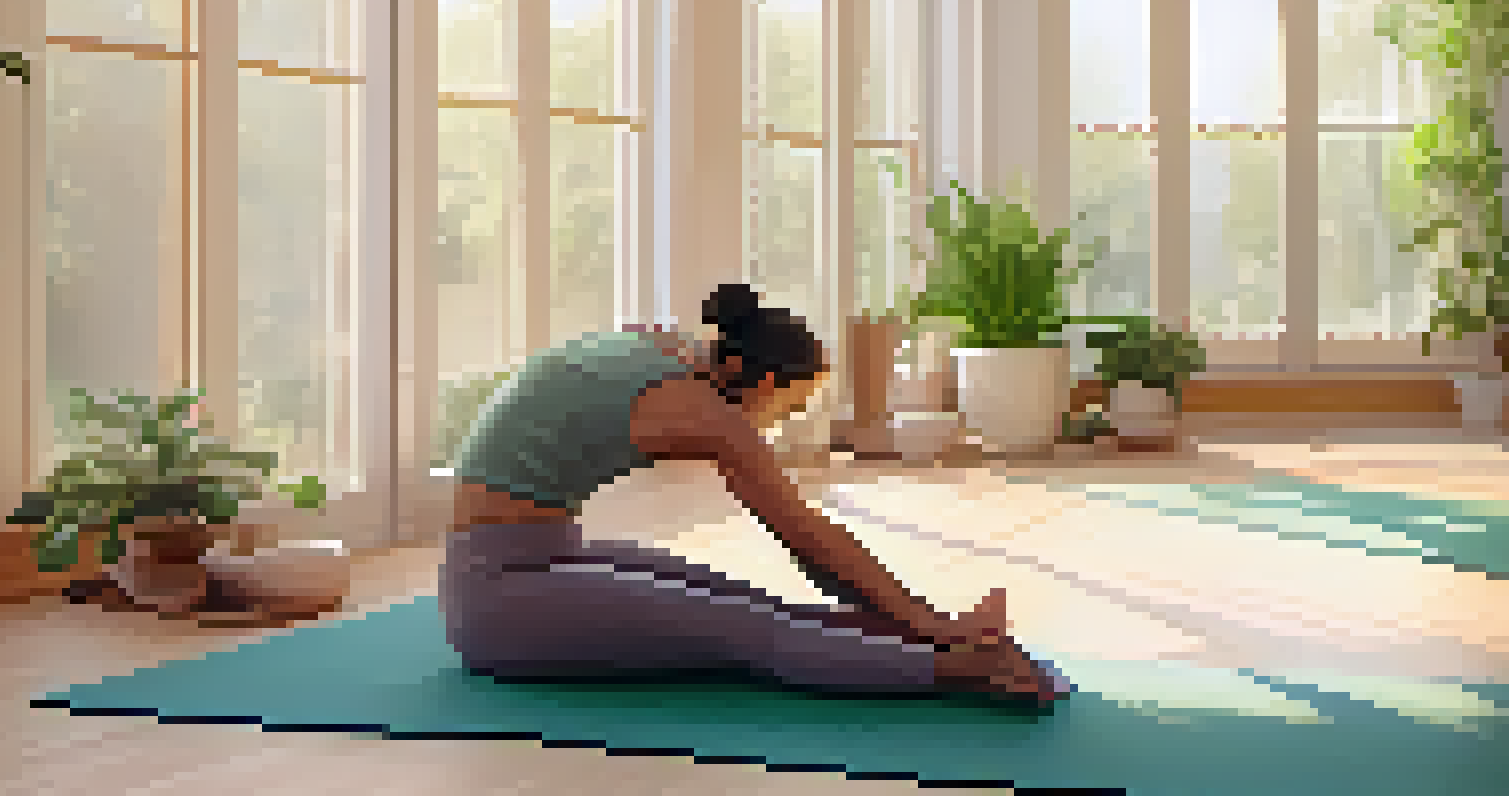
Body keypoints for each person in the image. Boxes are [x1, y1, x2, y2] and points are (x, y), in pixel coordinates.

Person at [440, 283, 1070, 705]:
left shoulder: (665, 351)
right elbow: (808, 537)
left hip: (544, 556)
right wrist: (924, 616)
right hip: (498, 599)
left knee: (731, 594)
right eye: (791, 407)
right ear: (764, 380)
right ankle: (960, 668)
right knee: (745, 630)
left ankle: (936, 640)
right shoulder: (702, 411)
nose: (783, 423)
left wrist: (926, 620)